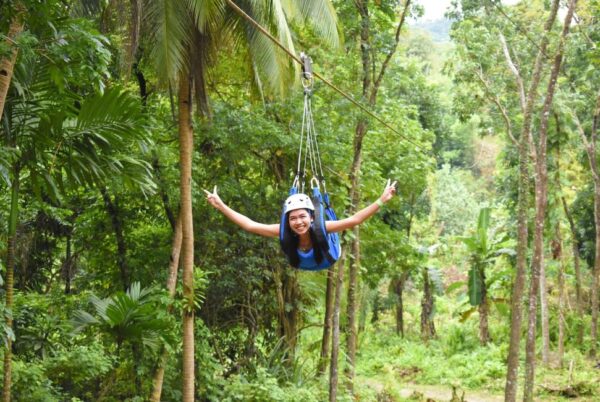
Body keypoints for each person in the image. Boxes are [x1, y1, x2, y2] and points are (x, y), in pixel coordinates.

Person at [204, 179, 397, 268]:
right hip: (302, 264)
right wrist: (221, 205)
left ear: (312, 217)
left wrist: (381, 200)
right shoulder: (284, 231)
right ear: (288, 220)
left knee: (324, 231)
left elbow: (354, 220)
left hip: (328, 258)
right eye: (293, 218)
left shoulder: (321, 227)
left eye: (303, 217)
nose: (298, 222)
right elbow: (250, 225)